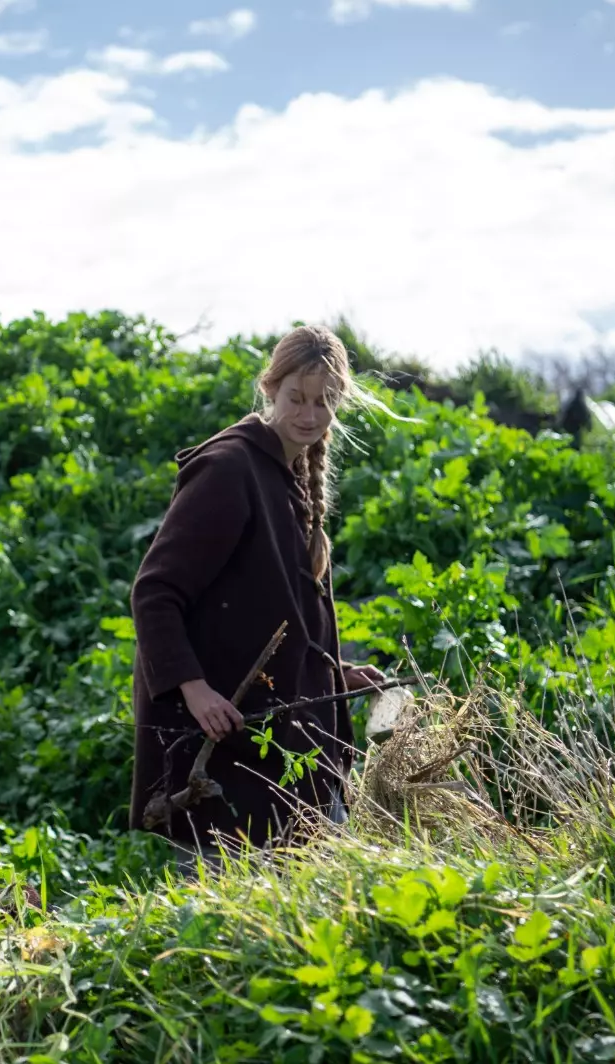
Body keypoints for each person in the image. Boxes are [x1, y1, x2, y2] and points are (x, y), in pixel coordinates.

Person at [128, 325, 387, 871]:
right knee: (226, 913)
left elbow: (269, 613)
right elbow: (155, 592)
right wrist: (195, 691)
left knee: (317, 907)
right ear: (270, 388)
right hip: (226, 751)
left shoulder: (291, 475)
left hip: (287, 744)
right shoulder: (228, 469)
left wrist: (333, 674)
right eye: (297, 398)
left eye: (324, 402)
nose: (309, 415)